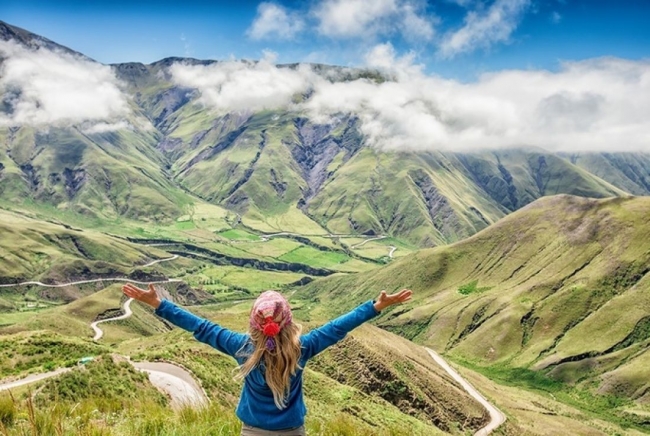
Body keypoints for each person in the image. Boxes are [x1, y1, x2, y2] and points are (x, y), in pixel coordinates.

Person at [122, 283, 412, 436]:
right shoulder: (303, 348)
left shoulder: (241, 348)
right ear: (287, 321)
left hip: (252, 432)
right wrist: (375, 306)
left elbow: (201, 326)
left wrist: (159, 304)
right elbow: (337, 327)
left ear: (253, 322)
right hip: (293, 431)